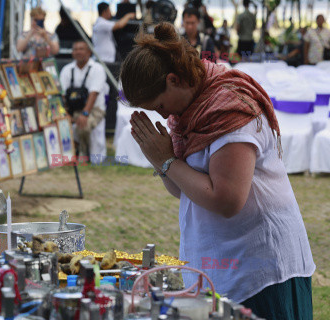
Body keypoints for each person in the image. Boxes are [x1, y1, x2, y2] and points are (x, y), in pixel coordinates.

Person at [119, 22, 314, 320]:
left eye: (158, 105)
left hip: (260, 268)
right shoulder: (190, 109)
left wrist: (167, 160)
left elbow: (227, 200)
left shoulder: (228, 108)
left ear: (173, 79)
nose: (162, 114)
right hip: (222, 261)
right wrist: (161, 161)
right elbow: (183, 189)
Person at [60, 40, 108, 161]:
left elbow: (94, 94)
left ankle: (84, 153)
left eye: (81, 49)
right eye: (75, 49)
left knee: (83, 125)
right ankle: (67, 154)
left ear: (89, 52)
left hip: (94, 109)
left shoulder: (97, 68)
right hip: (73, 109)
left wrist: (85, 113)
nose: (78, 52)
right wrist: (65, 114)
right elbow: (62, 95)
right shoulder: (67, 69)